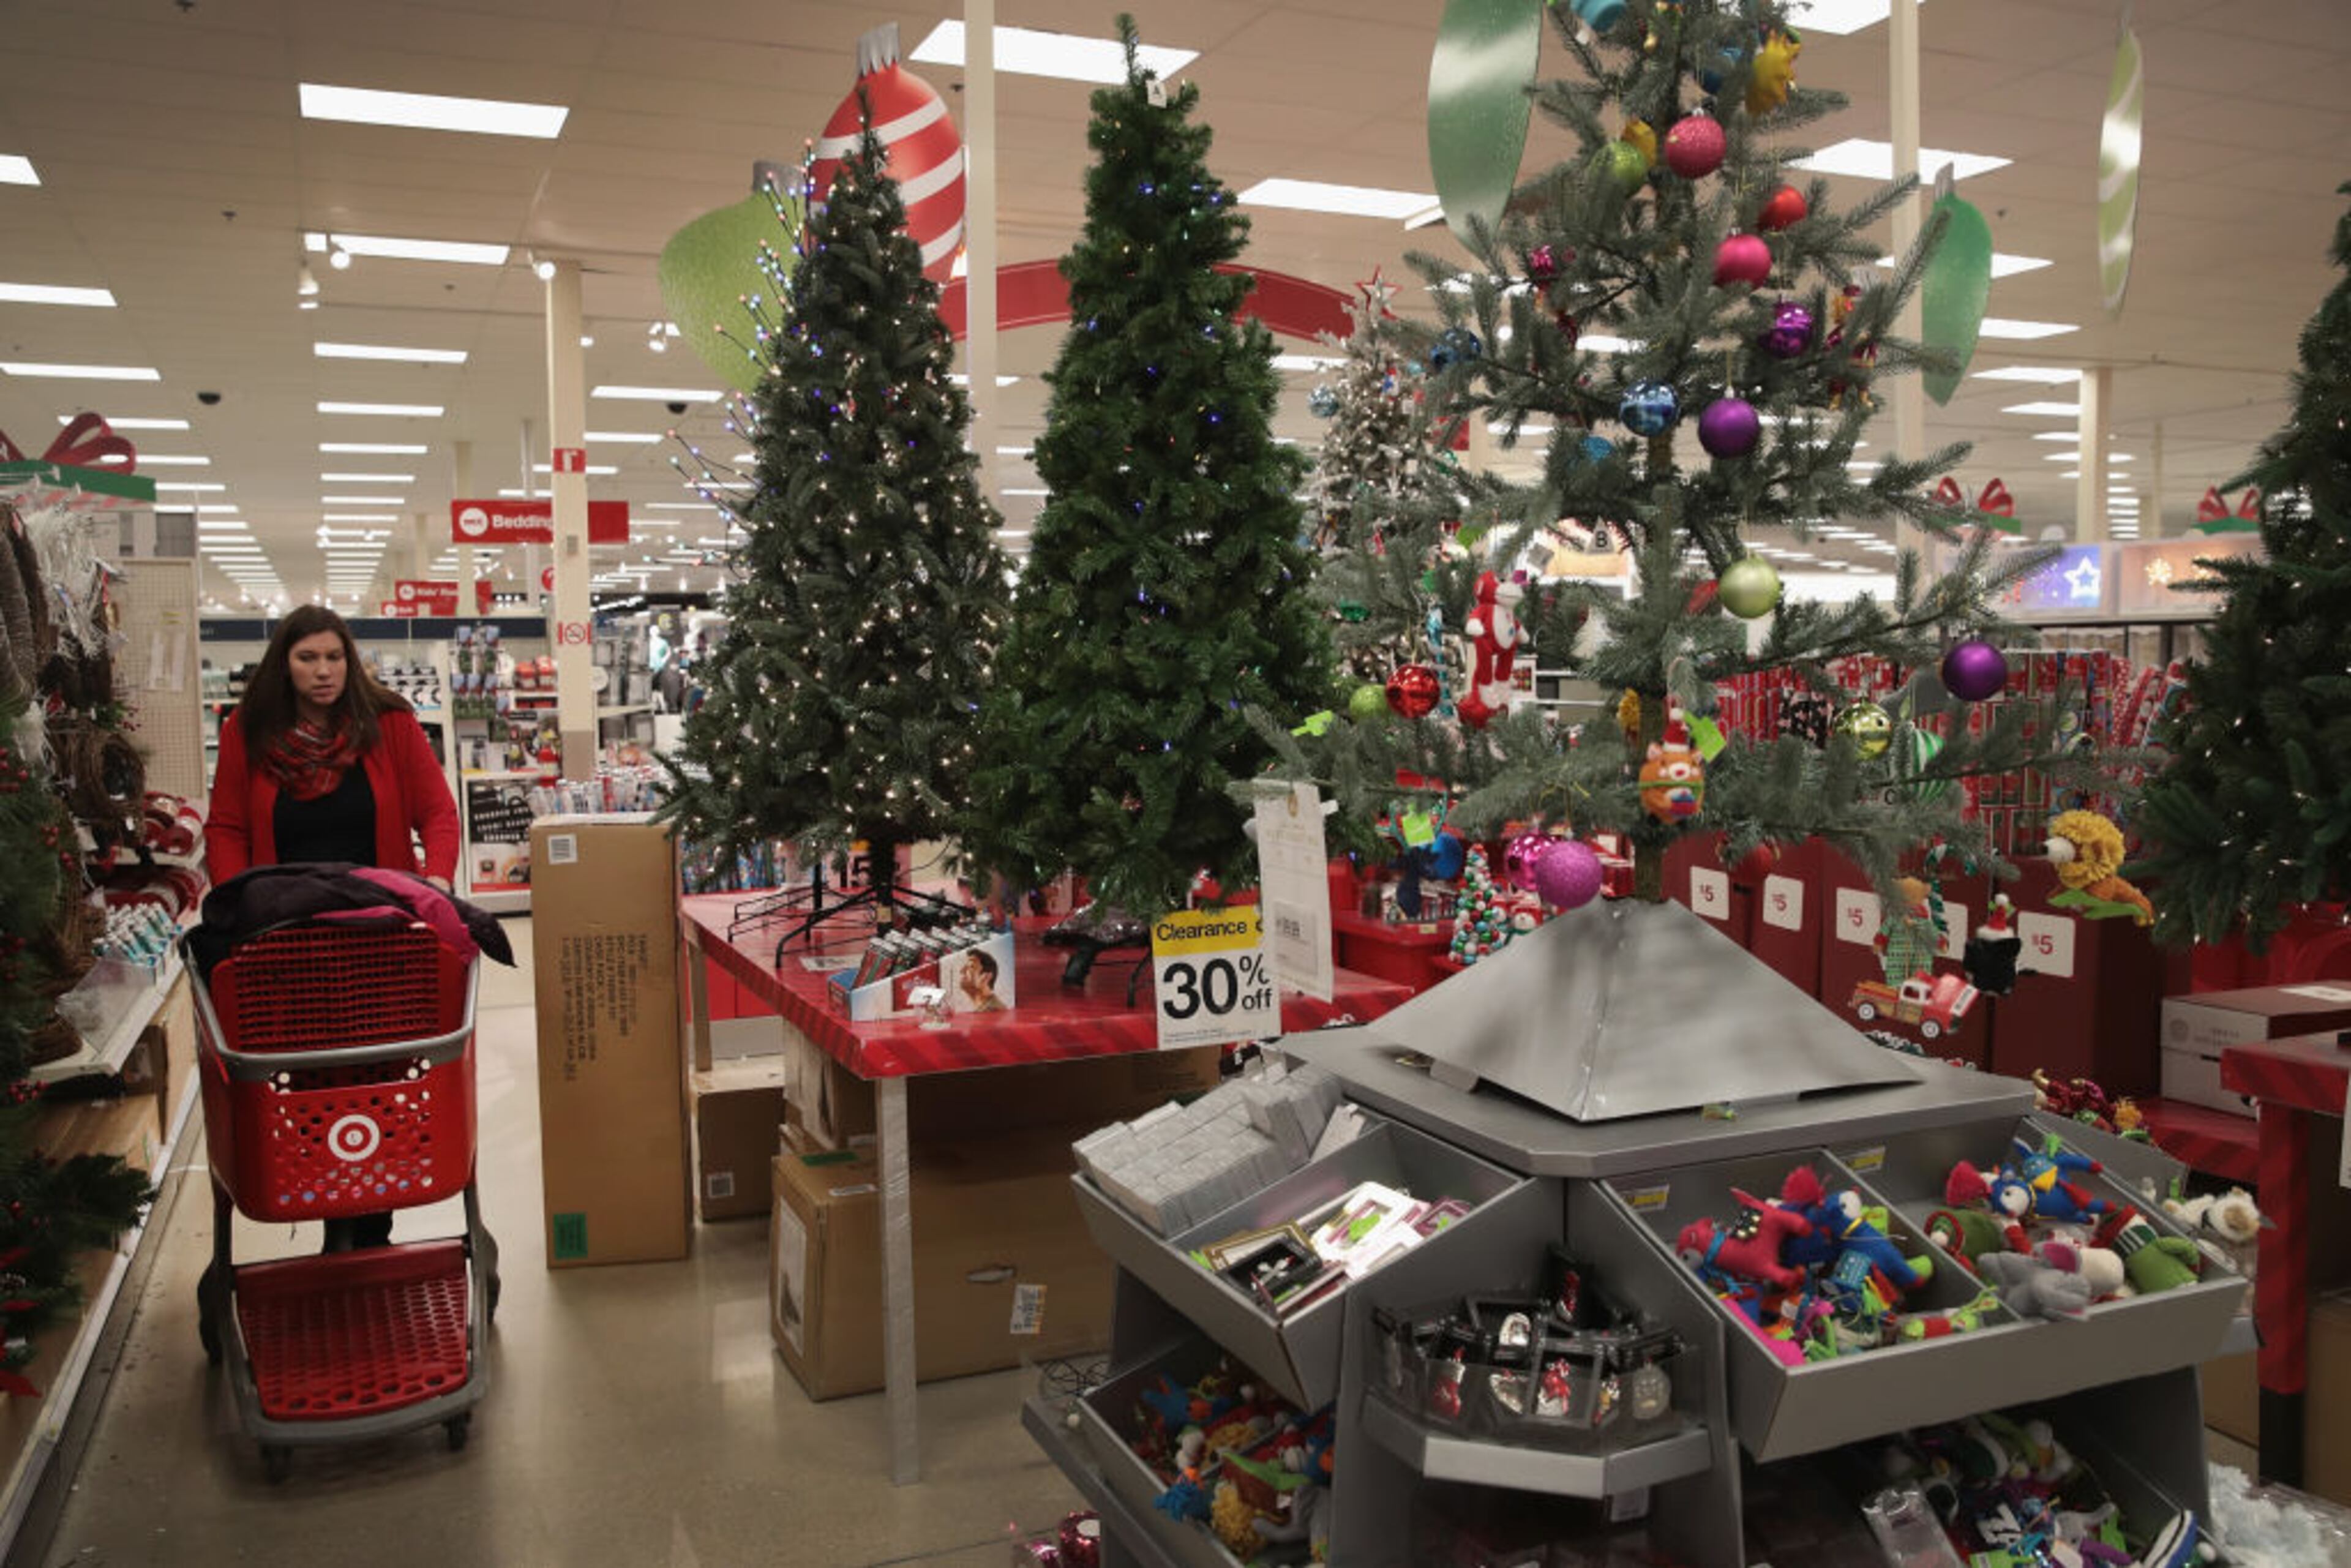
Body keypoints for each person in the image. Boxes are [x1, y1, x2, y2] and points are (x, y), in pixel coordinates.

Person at [205, 606, 460, 1250]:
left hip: (381, 937)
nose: (323, 672)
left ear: (351, 659)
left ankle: (371, 1221)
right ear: (283, 665)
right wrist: (236, 901)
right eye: (307, 658)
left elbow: (437, 810)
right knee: (308, 1083)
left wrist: (440, 877)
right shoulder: (249, 730)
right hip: (287, 944)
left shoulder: (390, 724)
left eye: (334, 657)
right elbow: (228, 825)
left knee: (380, 1075)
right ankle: (332, 1212)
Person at [955, 948, 1007, 1012]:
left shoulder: (993, 1011)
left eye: (971, 966)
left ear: (986, 978)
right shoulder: (984, 1009)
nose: (962, 971)